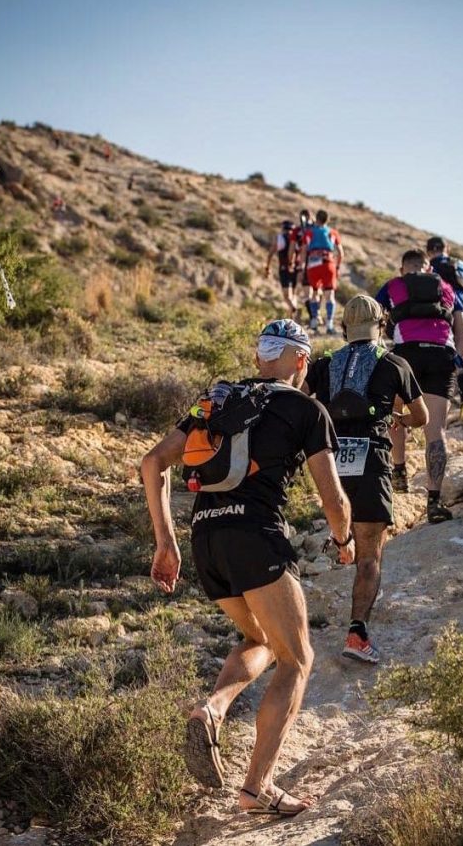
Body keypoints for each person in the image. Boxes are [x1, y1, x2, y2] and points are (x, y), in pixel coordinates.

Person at [140, 319, 354, 816]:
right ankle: (257, 789)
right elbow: (333, 497)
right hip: (256, 537)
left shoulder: (213, 400)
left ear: (260, 358)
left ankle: (212, 708)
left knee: (261, 639)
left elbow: (153, 463)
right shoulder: (306, 407)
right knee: (298, 659)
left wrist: (164, 543)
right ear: (302, 361)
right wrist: (343, 542)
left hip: (205, 540)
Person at [303, 295, 426, 662]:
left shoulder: (323, 366)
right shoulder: (394, 364)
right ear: (381, 325)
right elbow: (421, 417)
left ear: (343, 328)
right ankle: (357, 635)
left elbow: (298, 404)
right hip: (371, 460)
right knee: (370, 556)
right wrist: (398, 420)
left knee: (348, 538)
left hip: (330, 465)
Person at [375, 249, 463, 523]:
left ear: (403, 268)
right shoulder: (446, 287)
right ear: (429, 269)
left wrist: (383, 354)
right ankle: (434, 502)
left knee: (396, 414)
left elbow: (375, 320)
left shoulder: (393, 285)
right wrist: (459, 360)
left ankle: (400, 472)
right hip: (441, 355)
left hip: (406, 355)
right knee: (436, 431)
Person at [426, 236, 463, 428]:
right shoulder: (460, 265)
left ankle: (438, 413)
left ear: (428, 252)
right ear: (447, 249)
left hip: (437, 317)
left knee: (439, 365)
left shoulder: (427, 268)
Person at [300, 210, 344, 335]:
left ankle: (314, 321)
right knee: (329, 295)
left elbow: (303, 251)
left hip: (313, 265)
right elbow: (341, 253)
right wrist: (338, 266)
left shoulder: (309, 232)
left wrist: (302, 266)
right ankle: (329, 324)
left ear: (316, 219)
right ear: (327, 220)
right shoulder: (333, 232)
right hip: (328, 263)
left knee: (314, 292)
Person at [265, 220, 297, 318]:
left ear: (283, 228)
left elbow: (271, 253)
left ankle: (293, 307)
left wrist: (267, 267)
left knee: (286, 296)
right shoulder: (296, 239)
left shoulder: (280, 238)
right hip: (296, 269)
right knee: (293, 294)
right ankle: (293, 318)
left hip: (284, 269)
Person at [288, 209, 313, 322]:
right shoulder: (316, 229)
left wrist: (291, 262)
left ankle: (308, 316)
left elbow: (292, 249)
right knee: (313, 291)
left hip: (301, 263)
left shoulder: (297, 230)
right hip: (316, 262)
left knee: (300, 290)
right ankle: (314, 316)